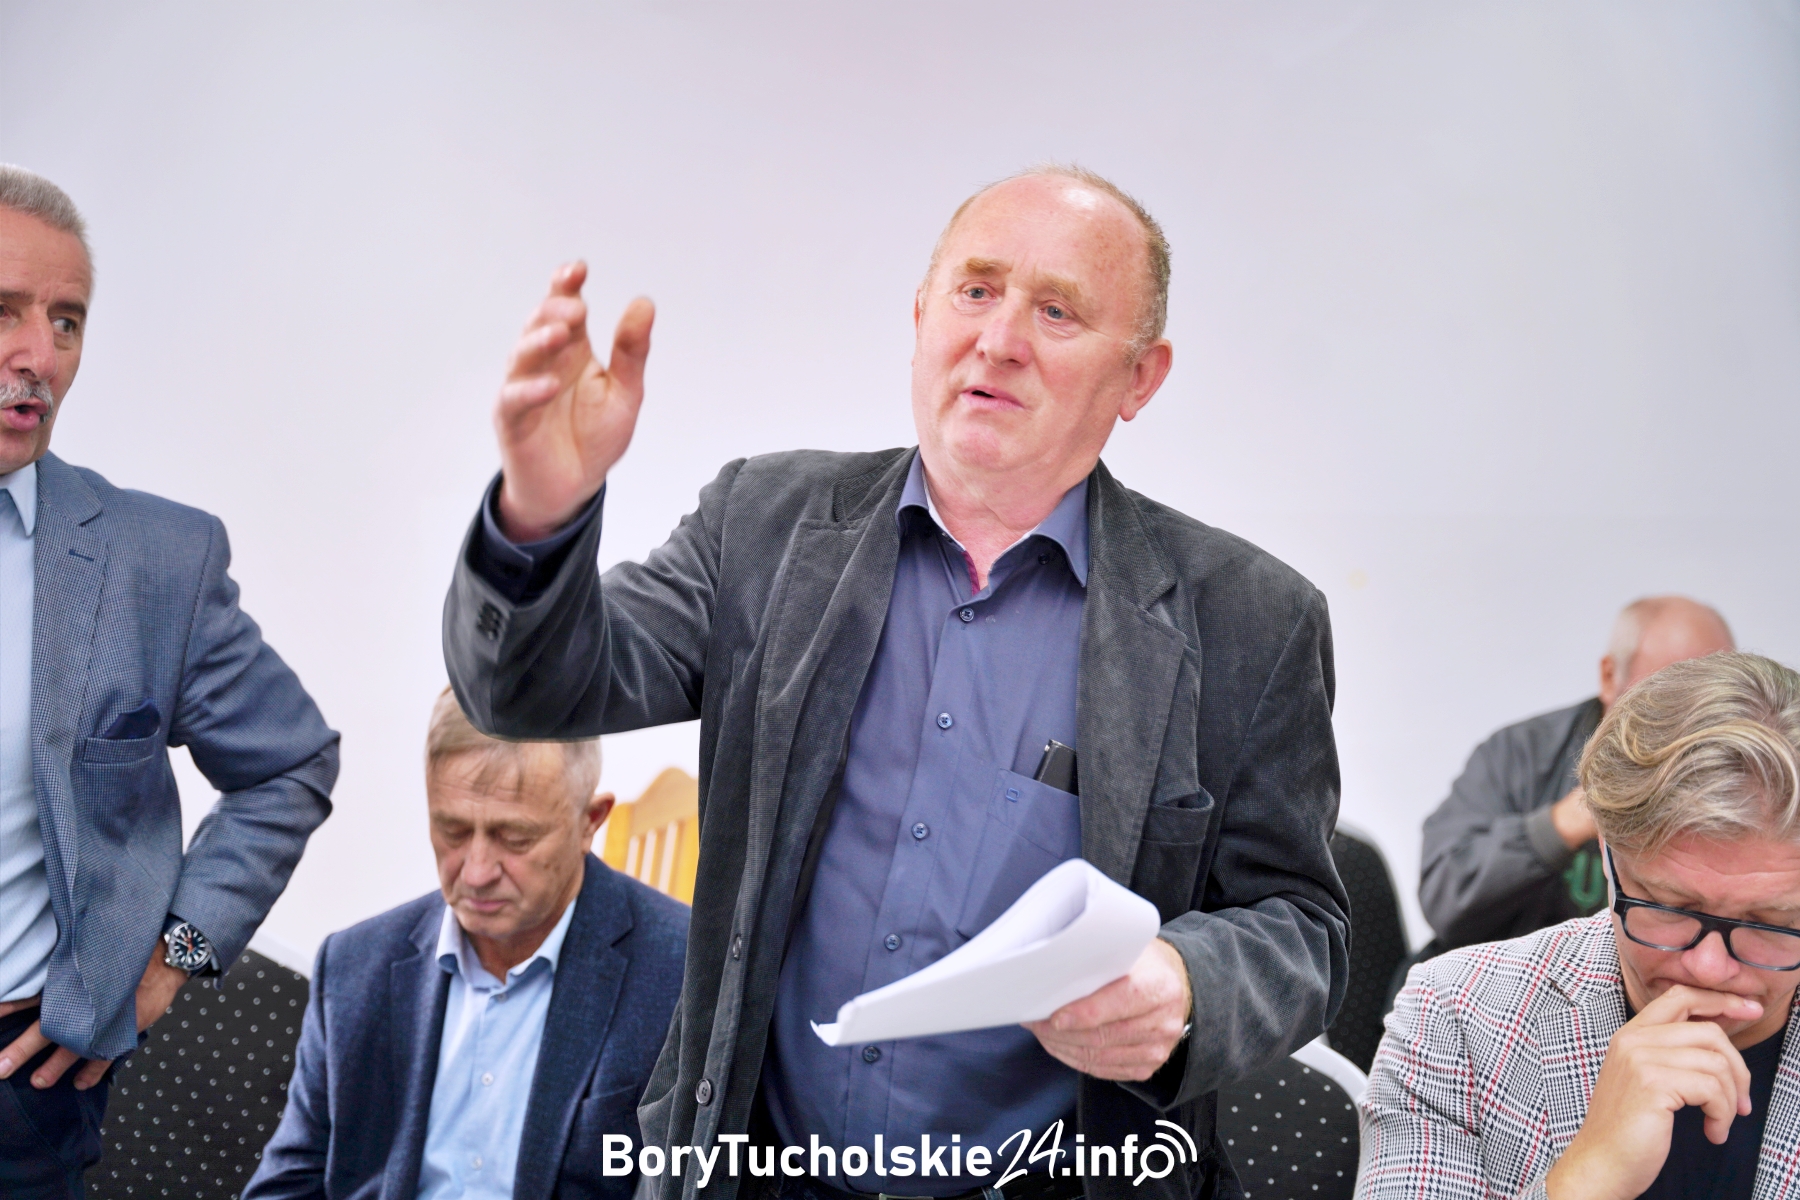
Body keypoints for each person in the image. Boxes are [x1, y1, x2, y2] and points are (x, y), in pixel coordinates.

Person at [442, 164, 1348, 1200]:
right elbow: (528, 692)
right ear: (921, 317)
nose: (998, 339)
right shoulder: (767, 526)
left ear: (1141, 378)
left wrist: (1188, 985)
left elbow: (1302, 926)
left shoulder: (1250, 621)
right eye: (976, 290)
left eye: (1056, 311)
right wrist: (537, 517)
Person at [0, 165, 340, 1197]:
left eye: (66, 321)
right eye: (4, 312)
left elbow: (290, 766)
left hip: (19, 1097)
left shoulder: (153, 564)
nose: (38, 355)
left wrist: (172, 958)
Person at [1360, 651, 1800, 1200]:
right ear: (1608, 858)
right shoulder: (1456, 1017)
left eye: (1770, 924)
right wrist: (1585, 1179)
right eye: (1669, 908)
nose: (1708, 967)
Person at [245, 687, 688, 1200]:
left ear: (589, 822)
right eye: (452, 831)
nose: (476, 873)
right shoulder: (352, 968)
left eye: (515, 838)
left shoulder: (683, 972)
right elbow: (287, 1186)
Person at [1419, 596, 1734, 951]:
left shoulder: (1750, 777)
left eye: (1716, 697)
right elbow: (1445, 899)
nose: (1695, 721)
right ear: (1610, 676)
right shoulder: (1522, 753)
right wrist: (1566, 823)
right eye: (1669, 695)